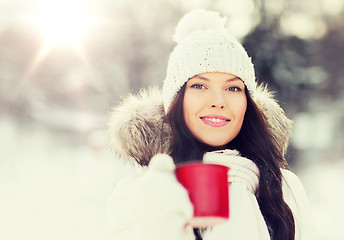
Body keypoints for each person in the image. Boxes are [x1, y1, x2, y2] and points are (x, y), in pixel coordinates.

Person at [105, 9, 313, 240]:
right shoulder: (139, 192)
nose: (218, 102)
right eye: (199, 86)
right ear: (176, 101)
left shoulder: (283, 188)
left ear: (248, 103)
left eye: (233, 88)